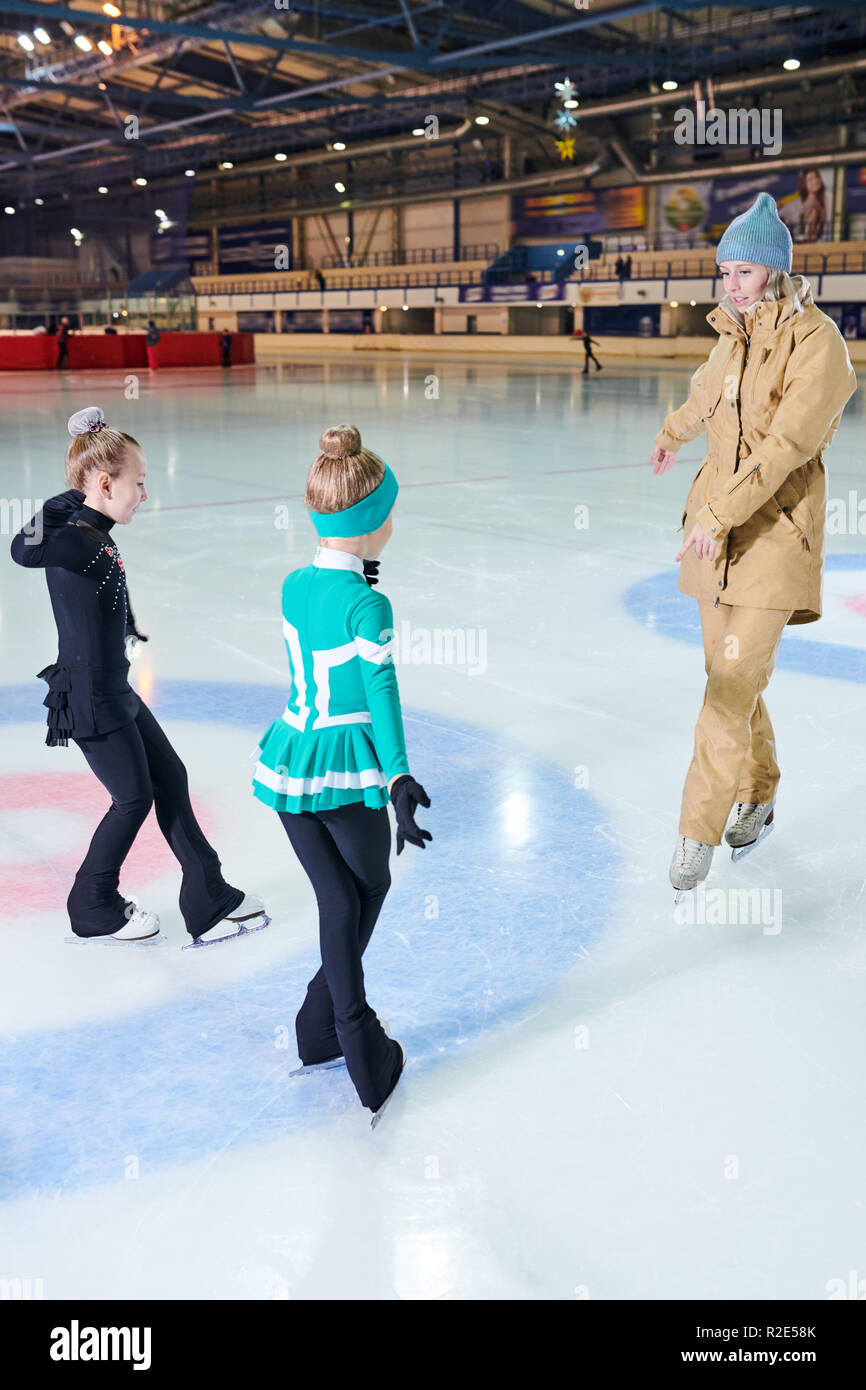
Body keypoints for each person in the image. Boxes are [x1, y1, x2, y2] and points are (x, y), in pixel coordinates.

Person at [649, 192, 856, 895]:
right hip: (716, 536)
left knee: (729, 686)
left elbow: (786, 445)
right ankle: (761, 792)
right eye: (725, 272)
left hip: (774, 536)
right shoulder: (730, 336)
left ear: (774, 271)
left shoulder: (818, 344)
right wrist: (672, 435)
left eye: (743, 271)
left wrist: (719, 514)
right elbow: (707, 397)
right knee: (727, 680)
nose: (730, 285)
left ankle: (694, 831)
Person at [9, 405, 269, 948]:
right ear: (105, 483)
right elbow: (22, 549)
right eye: (139, 483)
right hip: (90, 696)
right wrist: (64, 502)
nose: (144, 494)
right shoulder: (75, 534)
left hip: (114, 686)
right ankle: (92, 905)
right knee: (132, 799)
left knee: (170, 777)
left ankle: (208, 895)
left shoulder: (96, 534)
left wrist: (125, 623)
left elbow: (95, 593)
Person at [251, 424, 432, 1126]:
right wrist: (398, 779)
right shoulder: (367, 604)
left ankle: (317, 1028)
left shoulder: (297, 584)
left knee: (339, 900)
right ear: (369, 522)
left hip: (290, 762)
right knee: (366, 890)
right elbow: (380, 692)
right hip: (339, 769)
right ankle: (360, 1052)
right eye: (389, 512)